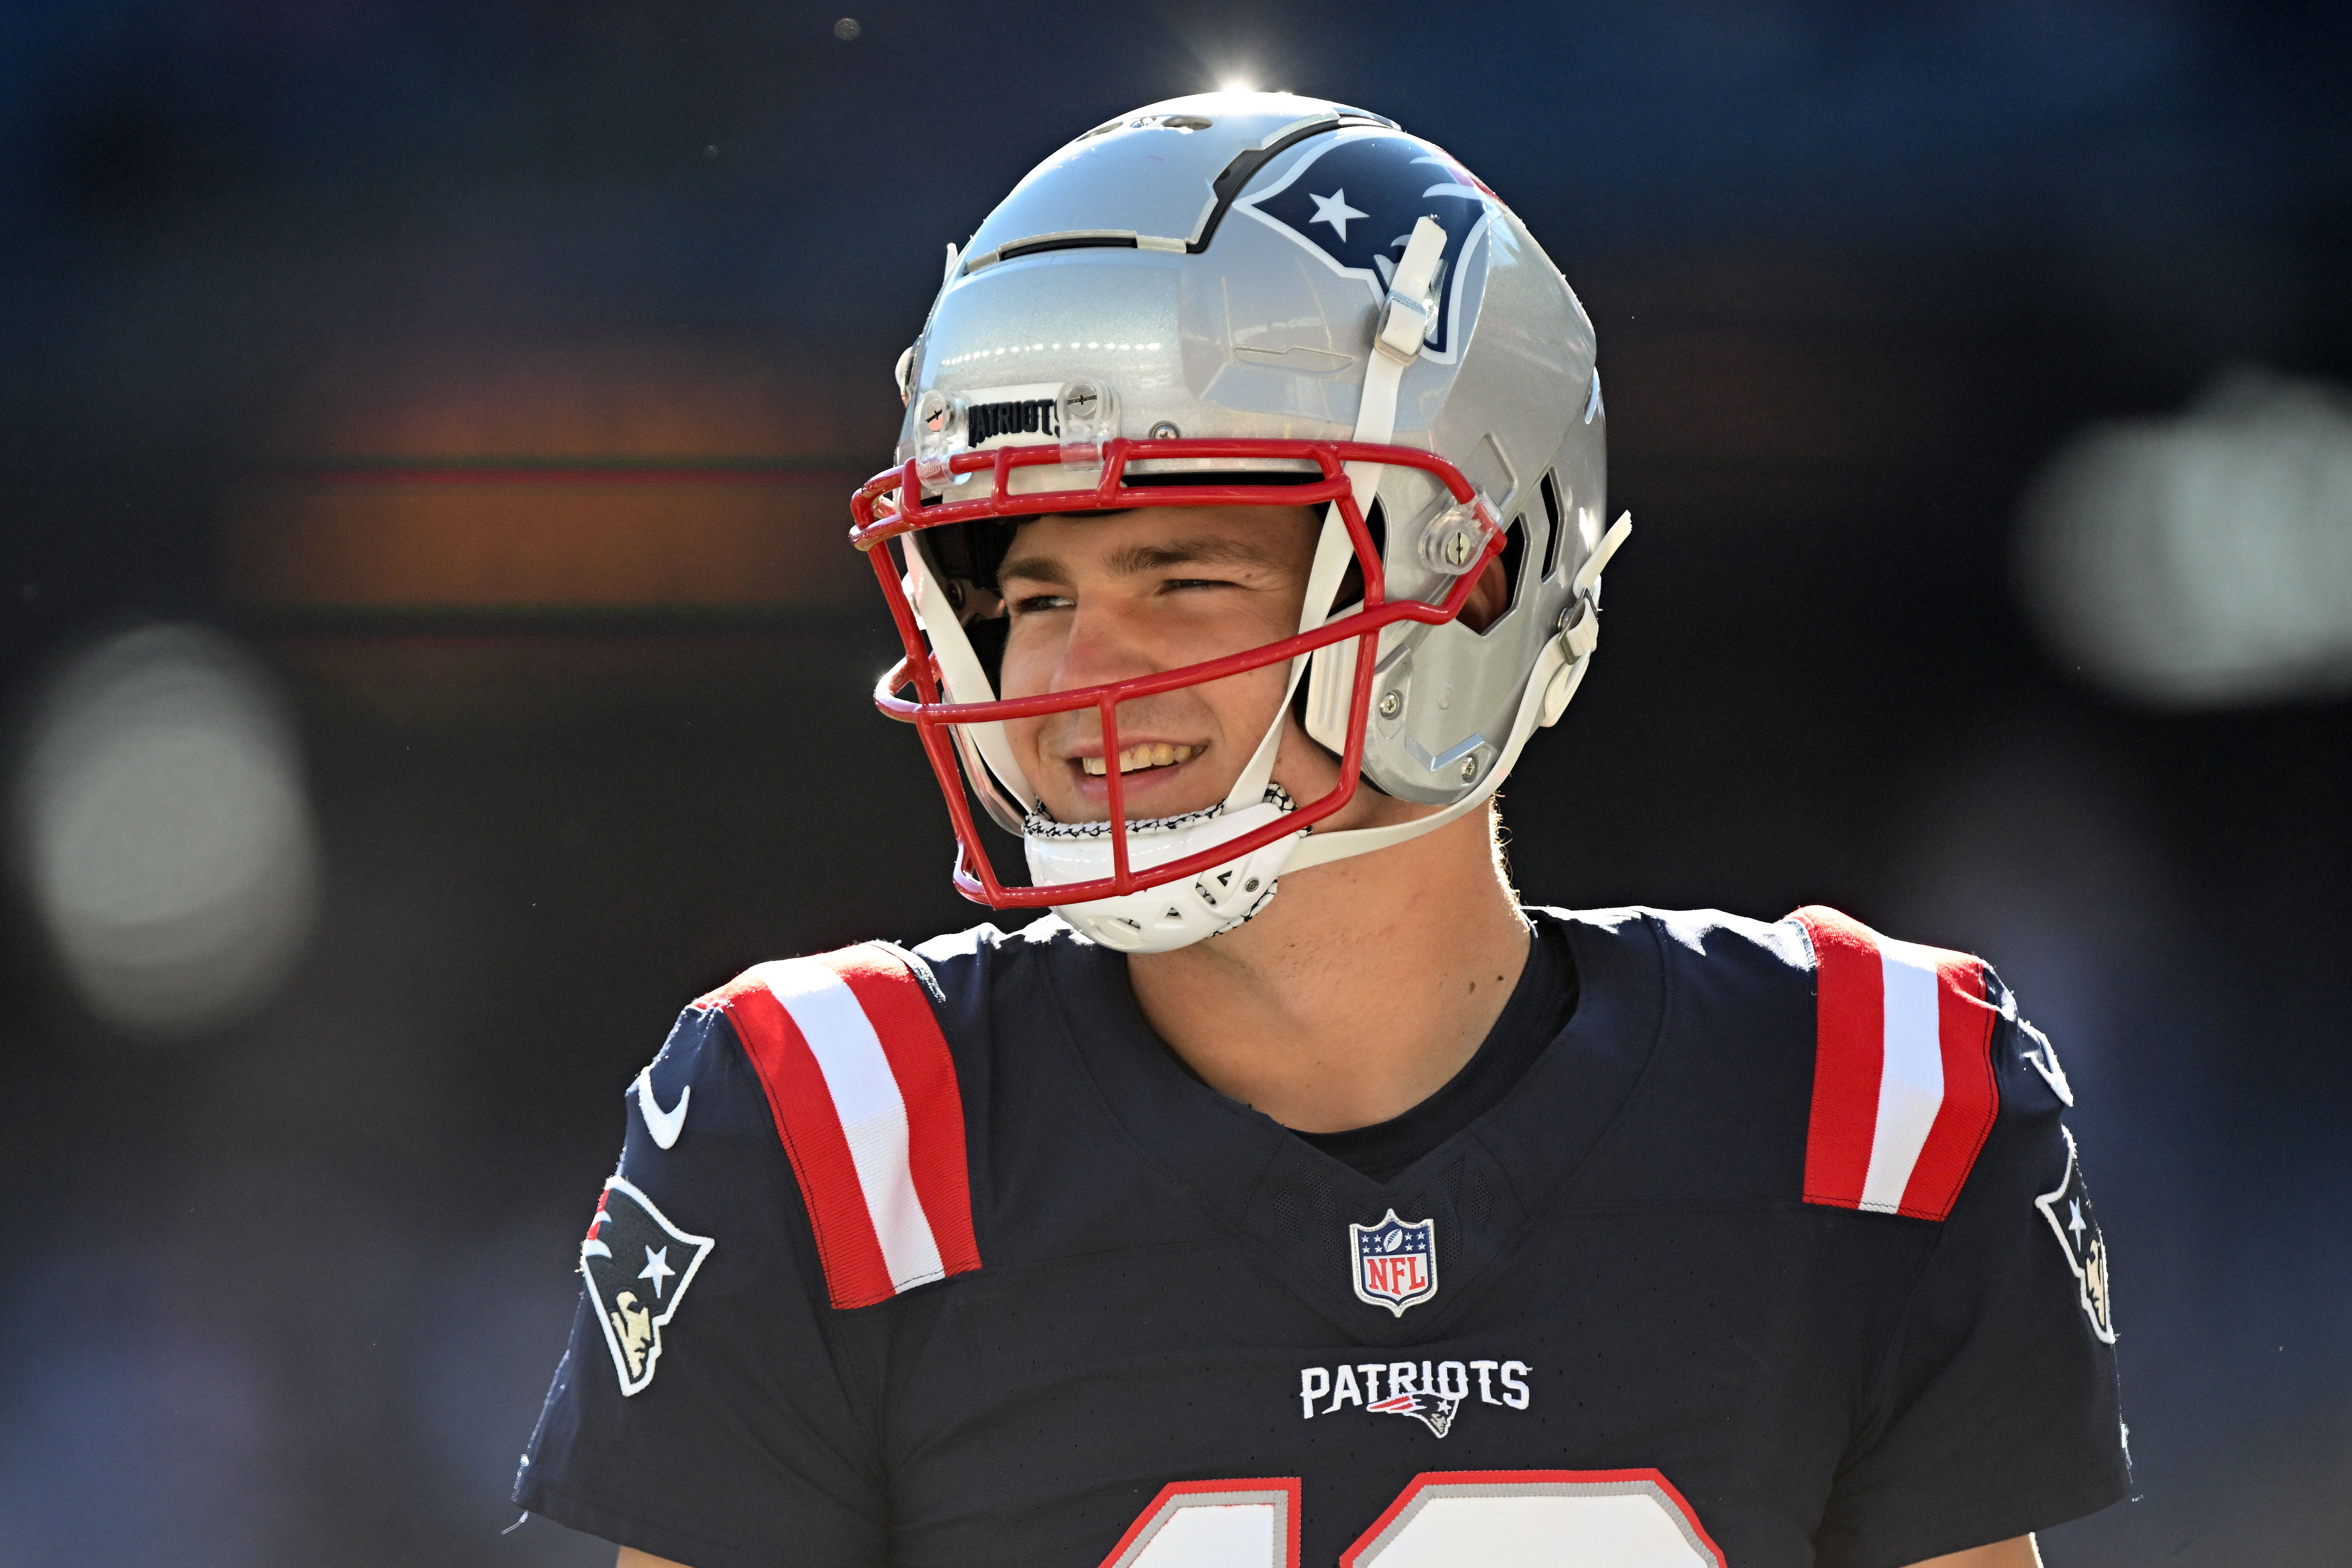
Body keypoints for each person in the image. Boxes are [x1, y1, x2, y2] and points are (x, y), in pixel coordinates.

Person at [513, 92, 2127, 1568]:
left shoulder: (1870, 1101)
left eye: (1180, 574)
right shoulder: (826, 1130)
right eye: (1030, 593)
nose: (1073, 677)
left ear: (1472, 576)